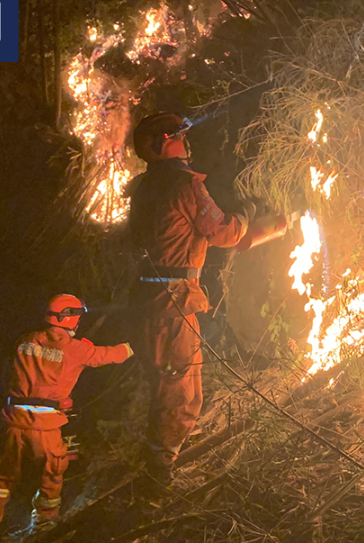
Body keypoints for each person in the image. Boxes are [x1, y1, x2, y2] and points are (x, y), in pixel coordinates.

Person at [126, 112, 249, 489]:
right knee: (178, 390)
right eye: (180, 136)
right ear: (165, 142)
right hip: (172, 303)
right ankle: (156, 477)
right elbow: (223, 231)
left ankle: (163, 455)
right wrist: (247, 215)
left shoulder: (143, 187)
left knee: (178, 385)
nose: (186, 141)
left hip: (148, 300)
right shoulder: (184, 184)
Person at [0, 294, 133, 540]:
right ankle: (43, 529)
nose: (79, 322)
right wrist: (135, 345)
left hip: (12, 422)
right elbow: (111, 355)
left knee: (0, 481)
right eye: (77, 317)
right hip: (46, 427)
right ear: (69, 318)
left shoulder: (25, 341)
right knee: (51, 478)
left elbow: (15, 375)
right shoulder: (76, 349)